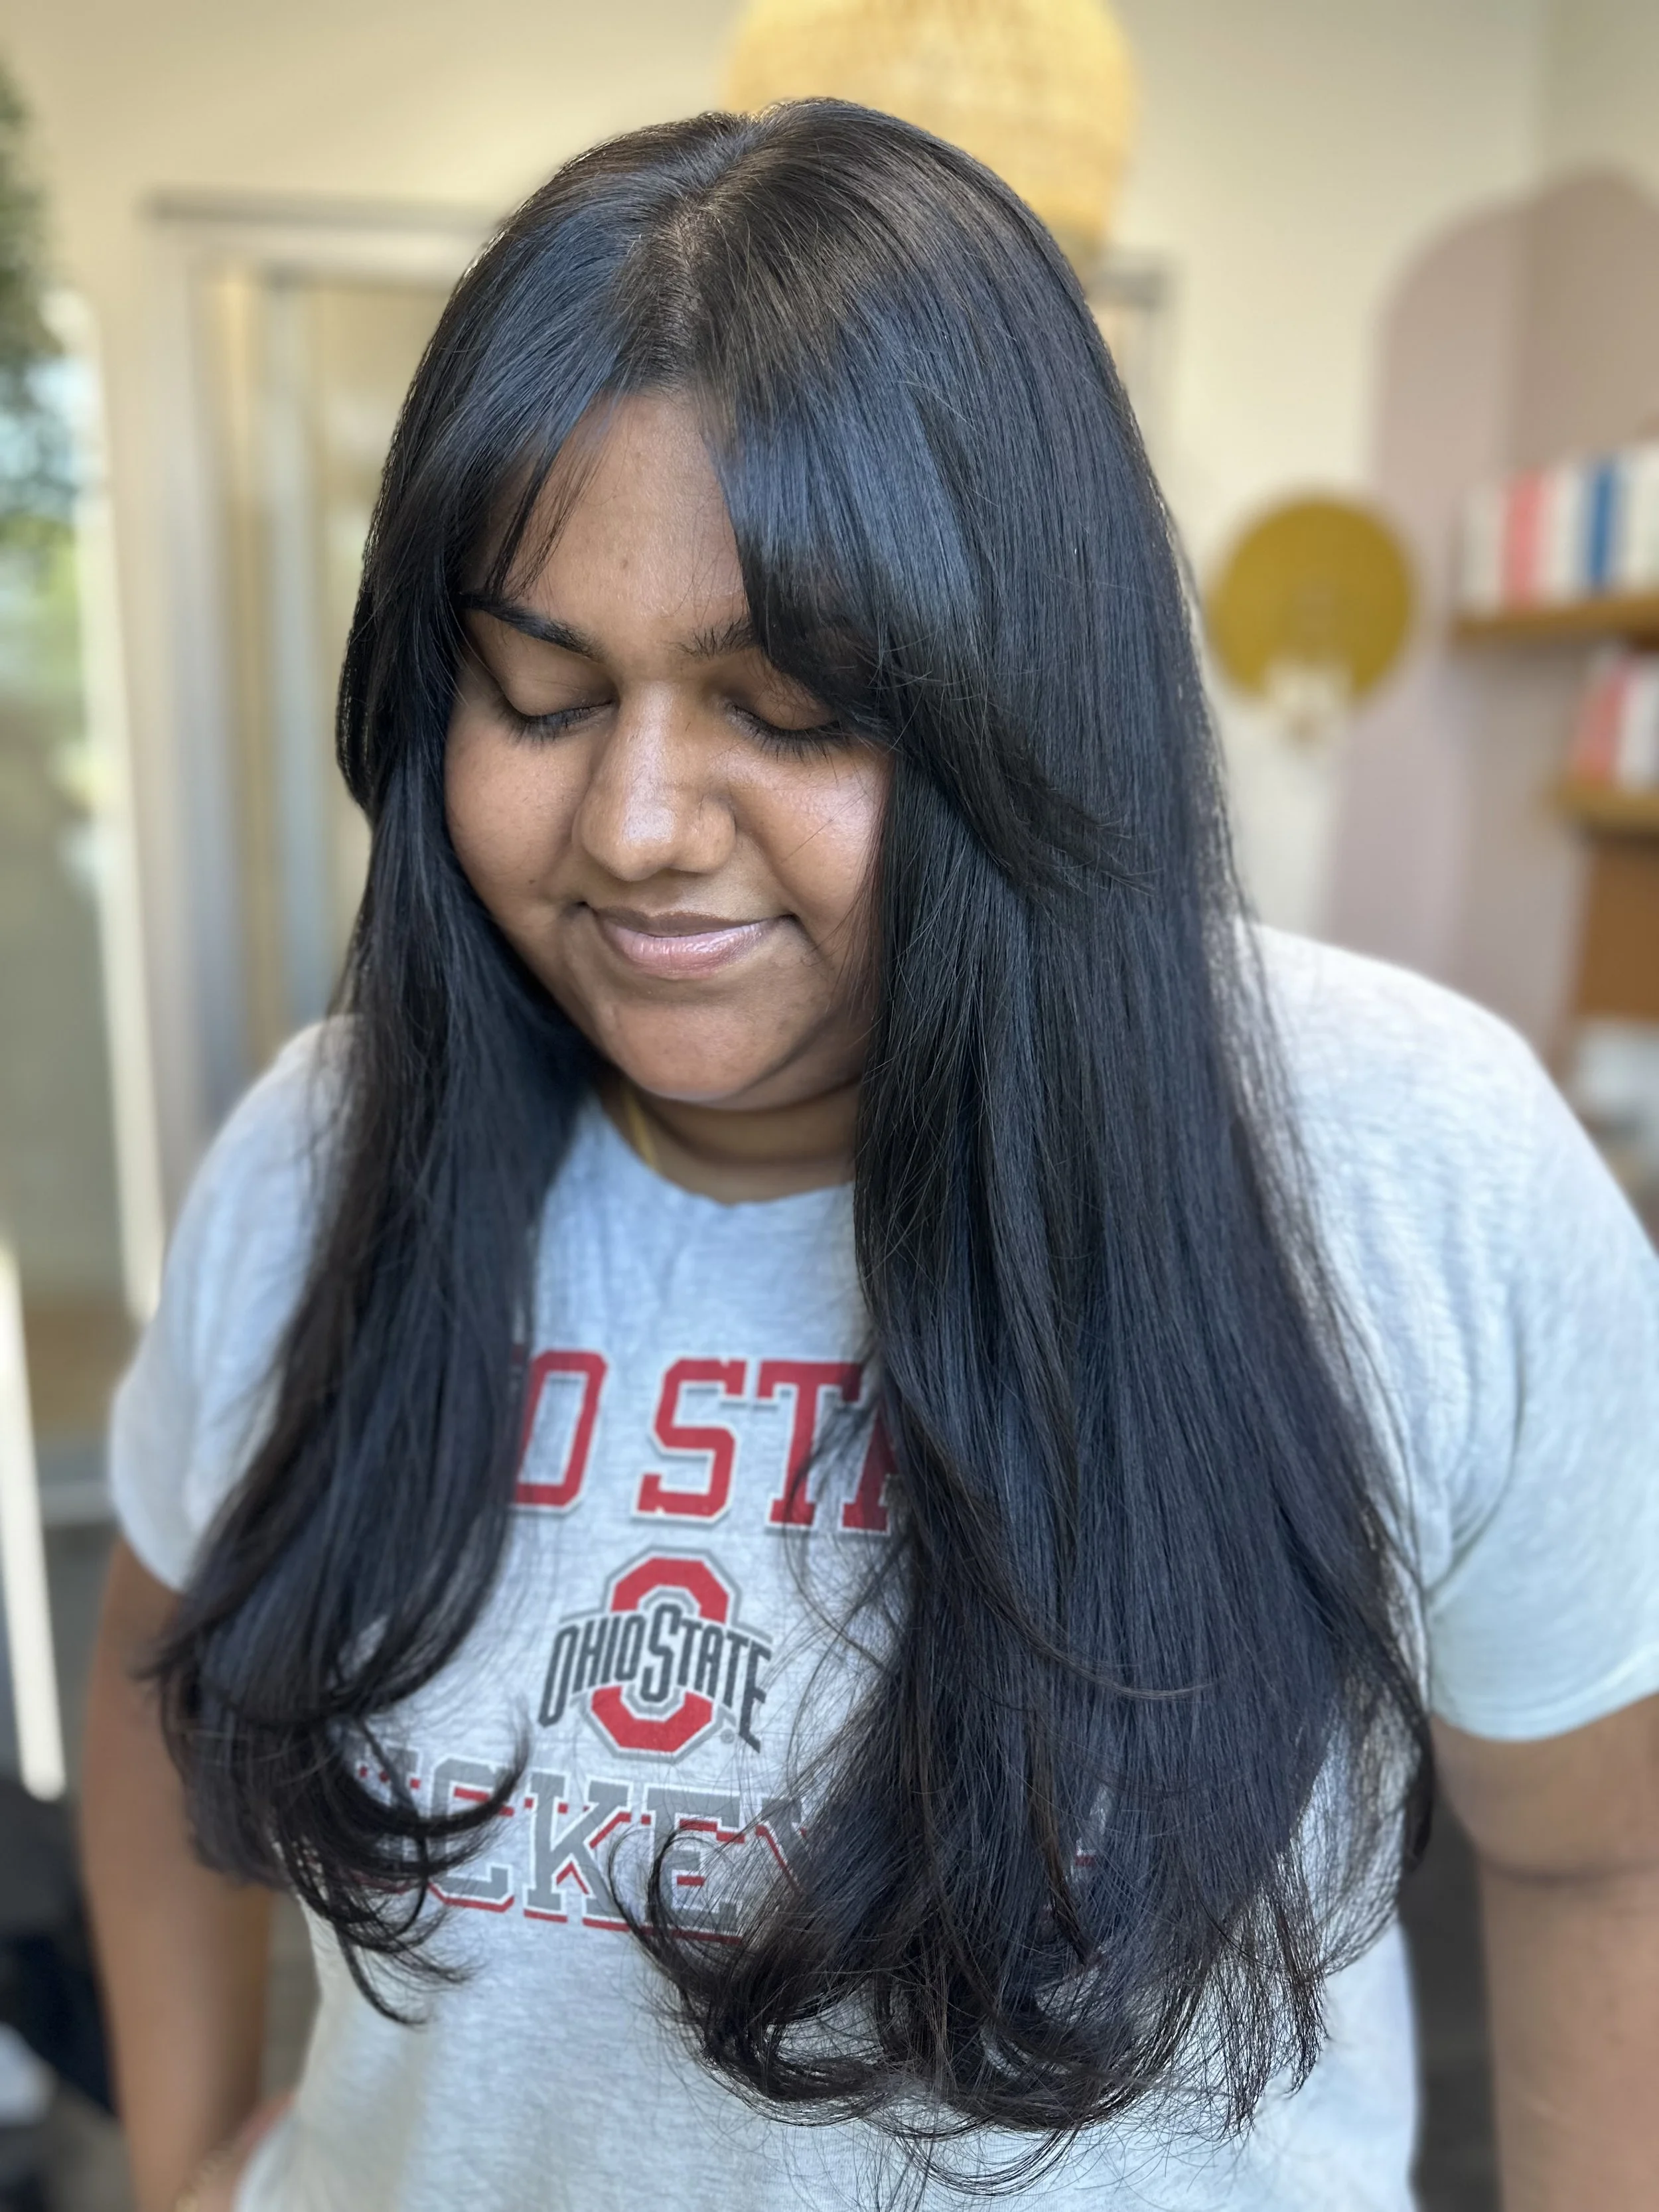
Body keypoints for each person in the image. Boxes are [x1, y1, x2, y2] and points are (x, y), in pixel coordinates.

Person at [81, 103, 1659, 2212]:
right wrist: (187, 2148)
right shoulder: (321, 1152)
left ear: (1028, 697)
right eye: (541, 696)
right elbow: (150, 1663)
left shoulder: (1408, 1165)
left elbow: (1600, 1845)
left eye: (789, 707)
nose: (638, 823)